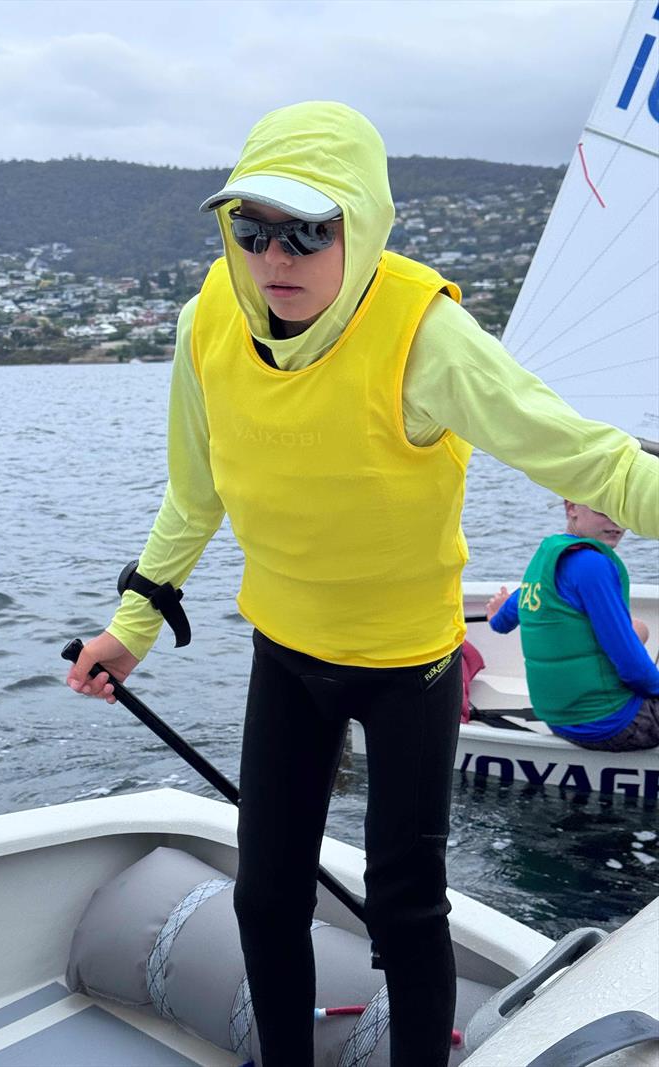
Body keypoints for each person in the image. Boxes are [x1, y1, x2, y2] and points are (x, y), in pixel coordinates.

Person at [66, 102, 659, 1067]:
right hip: (287, 654)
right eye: (252, 229)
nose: (276, 255)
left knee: (406, 902)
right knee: (265, 895)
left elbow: (597, 464)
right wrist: (131, 626)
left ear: (364, 226)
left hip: (408, 668)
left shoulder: (428, 337)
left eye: (309, 229)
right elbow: (194, 493)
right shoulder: (206, 320)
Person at [486, 501, 659, 751]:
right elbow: (631, 666)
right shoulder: (592, 565)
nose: (616, 522)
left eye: (621, 510)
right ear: (571, 508)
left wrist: (495, 612)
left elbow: (502, 622)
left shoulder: (547, 557)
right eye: (604, 510)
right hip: (613, 725)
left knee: (638, 627)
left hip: (559, 721)